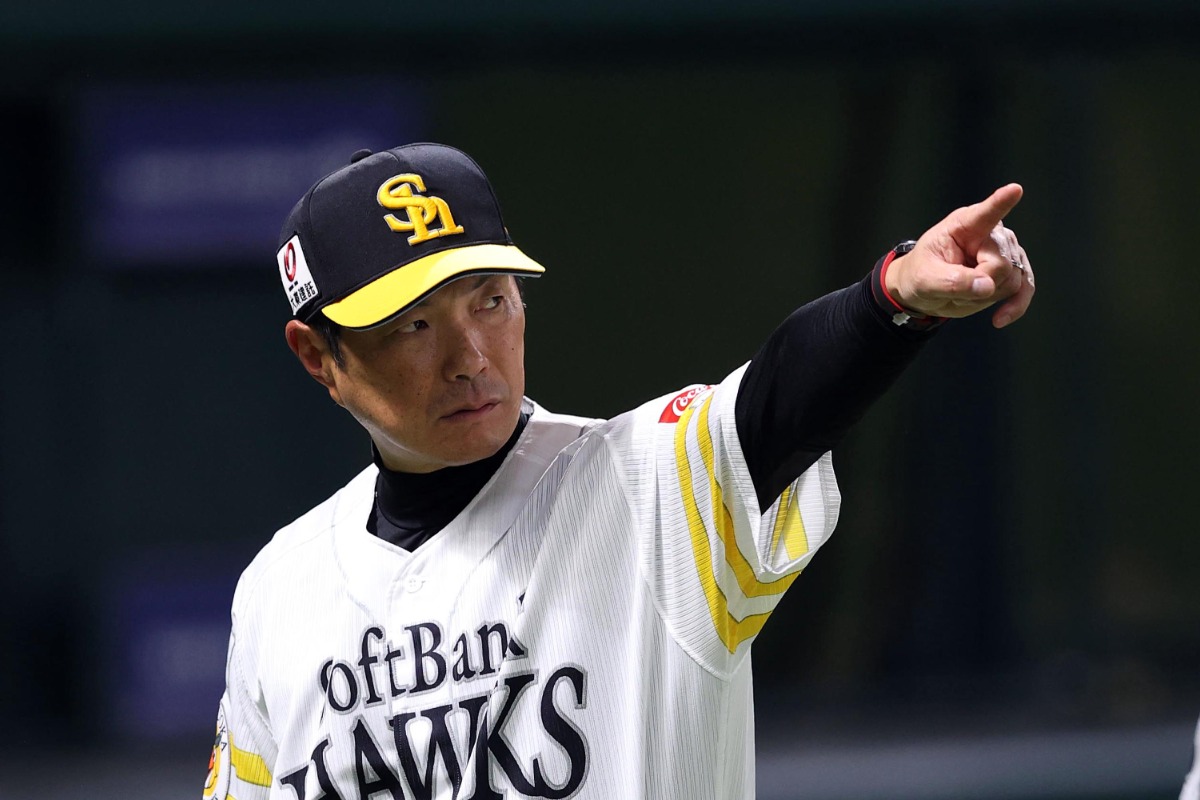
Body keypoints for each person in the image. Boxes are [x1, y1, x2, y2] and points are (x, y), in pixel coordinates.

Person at [202, 142, 1035, 800]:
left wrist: (895, 298)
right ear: (318, 355)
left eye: (490, 300)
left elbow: (781, 398)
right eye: (413, 325)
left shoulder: (645, 484)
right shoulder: (280, 590)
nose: (470, 358)